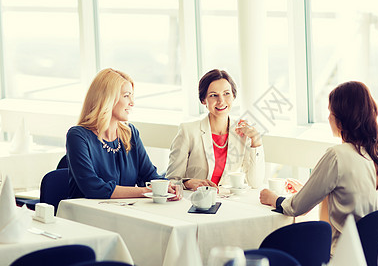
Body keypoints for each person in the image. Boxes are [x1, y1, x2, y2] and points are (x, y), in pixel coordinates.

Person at [260, 81, 378, 253]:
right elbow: (354, 200)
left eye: (331, 112)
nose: (328, 117)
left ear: (343, 119)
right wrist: (314, 192)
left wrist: (274, 198)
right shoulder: (377, 157)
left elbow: (297, 207)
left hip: (340, 255)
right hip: (370, 254)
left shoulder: (338, 155)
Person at [66, 68, 175, 199]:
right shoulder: (78, 136)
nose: (132, 103)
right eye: (126, 96)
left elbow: (150, 175)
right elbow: (93, 188)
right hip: (87, 214)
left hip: (123, 211)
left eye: (132, 96)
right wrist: (145, 191)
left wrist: (167, 187)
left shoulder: (130, 133)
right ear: (107, 99)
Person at [166, 69, 265, 190]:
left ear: (234, 96)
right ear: (203, 100)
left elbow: (255, 183)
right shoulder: (188, 131)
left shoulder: (242, 133)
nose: (221, 101)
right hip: (194, 202)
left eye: (226, 93)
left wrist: (256, 141)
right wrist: (187, 183)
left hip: (227, 202)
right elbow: (171, 181)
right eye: (213, 95)